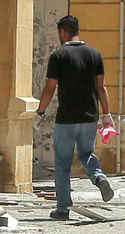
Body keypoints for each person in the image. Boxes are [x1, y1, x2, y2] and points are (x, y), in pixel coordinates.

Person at [38, 14, 115, 220]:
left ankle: (63, 209)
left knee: (62, 163)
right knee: (86, 154)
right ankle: (98, 178)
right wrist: (107, 114)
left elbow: (50, 87)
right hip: (90, 116)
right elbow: (101, 87)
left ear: (63, 32)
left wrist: (41, 111)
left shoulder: (59, 56)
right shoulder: (95, 55)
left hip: (66, 119)